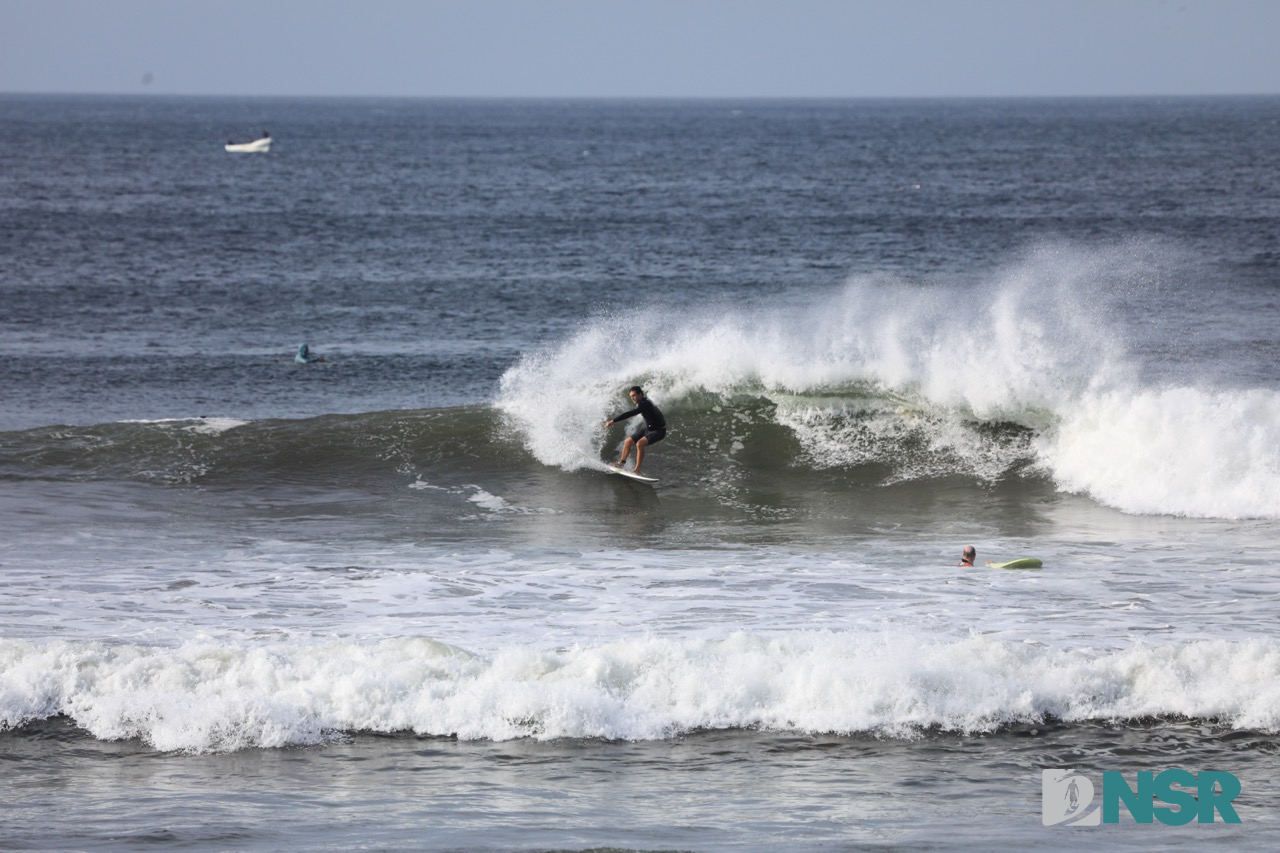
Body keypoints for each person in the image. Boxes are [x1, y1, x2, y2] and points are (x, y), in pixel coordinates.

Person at [604, 385, 666, 475]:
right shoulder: (643, 402)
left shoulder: (645, 404)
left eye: (634, 395)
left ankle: (637, 470)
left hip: (659, 431)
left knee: (639, 444)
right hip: (649, 429)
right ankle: (621, 464)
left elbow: (630, 413)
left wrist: (613, 421)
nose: (633, 398)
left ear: (640, 394)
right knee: (628, 441)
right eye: (631, 396)